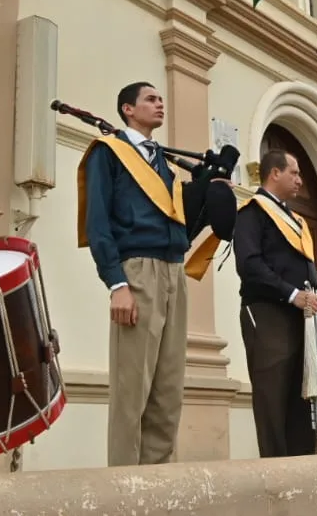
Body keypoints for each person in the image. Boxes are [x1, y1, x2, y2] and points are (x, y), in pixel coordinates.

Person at [78, 81, 189, 466]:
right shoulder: (109, 153)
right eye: (151, 99)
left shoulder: (165, 162)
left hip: (175, 270)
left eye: (162, 98)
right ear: (128, 109)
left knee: (168, 387)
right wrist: (117, 283)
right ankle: (125, 490)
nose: (161, 104)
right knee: (132, 389)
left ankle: (158, 487)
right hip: (137, 270)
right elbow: (98, 223)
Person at [234, 149, 317, 457]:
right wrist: (291, 294)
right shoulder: (252, 212)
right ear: (275, 173)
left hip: (305, 318)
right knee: (273, 396)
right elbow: (250, 265)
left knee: (303, 396)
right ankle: (276, 473)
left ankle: (301, 470)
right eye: (294, 173)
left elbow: (312, 272)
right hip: (268, 313)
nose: (300, 179)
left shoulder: (295, 219)